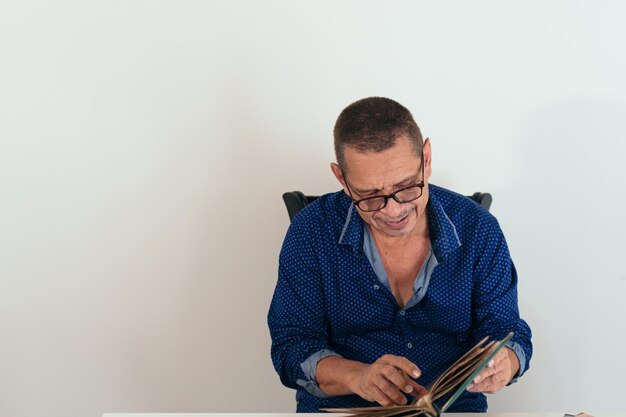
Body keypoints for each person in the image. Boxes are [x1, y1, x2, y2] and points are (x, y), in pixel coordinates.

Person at [268, 97, 532, 412]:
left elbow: (506, 329)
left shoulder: (478, 228)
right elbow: (291, 347)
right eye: (370, 196)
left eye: (406, 186)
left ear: (427, 158)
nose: (394, 210)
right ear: (342, 179)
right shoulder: (310, 232)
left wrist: (508, 361)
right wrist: (358, 377)